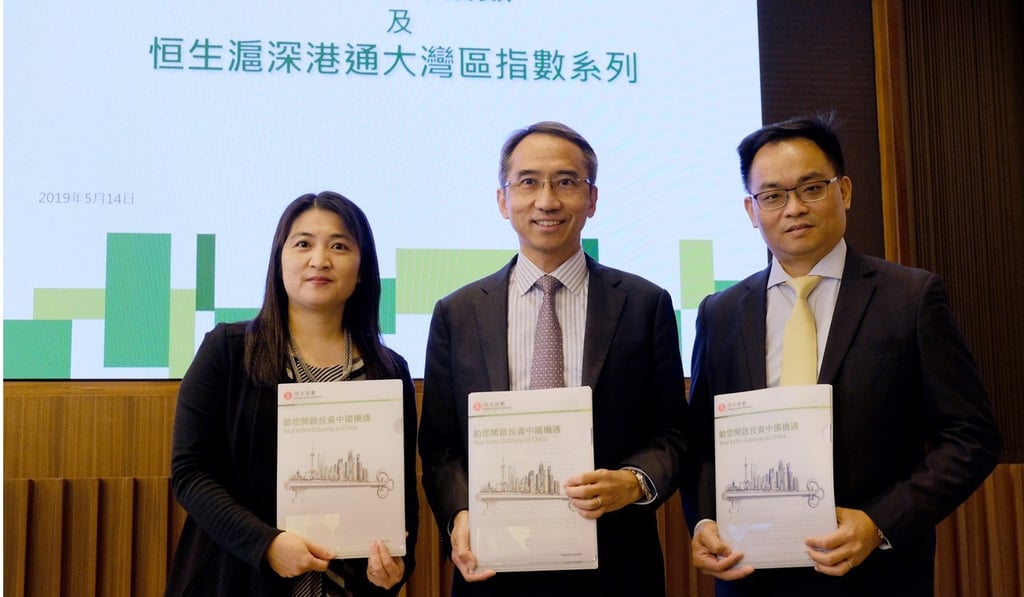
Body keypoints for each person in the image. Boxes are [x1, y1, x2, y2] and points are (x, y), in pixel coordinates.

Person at [683, 112, 1000, 596]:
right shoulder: (721, 312)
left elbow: (970, 437)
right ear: (751, 211)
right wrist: (703, 518)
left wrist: (880, 522)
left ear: (844, 191)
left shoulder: (909, 298)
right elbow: (701, 443)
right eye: (772, 195)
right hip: (750, 575)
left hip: (876, 575)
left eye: (811, 188)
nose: (793, 208)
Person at [417, 121, 688, 596]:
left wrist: (633, 481)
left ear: (593, 199)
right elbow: (440, 446)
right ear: (503, 201)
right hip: (493, 567)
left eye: (566, 182)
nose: (547, 200)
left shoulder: (645, 304)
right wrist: (461, 512)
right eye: (528, 182)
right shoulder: (457, 313)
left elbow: (672, 432)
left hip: (617, 565)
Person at [167, 191, 418, 596]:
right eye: (303, 243)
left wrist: (393, 570)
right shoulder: (228, 350)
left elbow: (401, 500)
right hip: (237, 580)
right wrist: (265, 544)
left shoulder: (388, 372)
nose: (320, 259)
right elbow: (191, 473)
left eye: (339, 245)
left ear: (362, 269)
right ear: (279, 260)